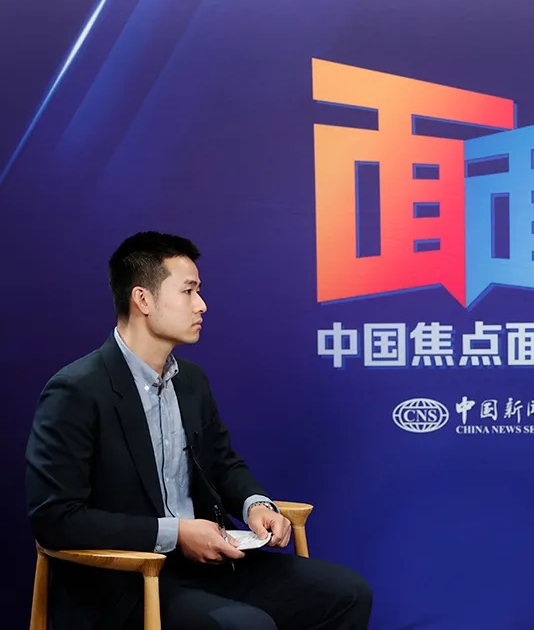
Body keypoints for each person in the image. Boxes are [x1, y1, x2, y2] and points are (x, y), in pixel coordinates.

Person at [26, 232, 373, 630]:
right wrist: (176, 534)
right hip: (126, 580)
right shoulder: (76, 390)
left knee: (347, 593)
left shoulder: (190, 381)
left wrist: (256, 505)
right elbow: (55, 518)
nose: (201, 304)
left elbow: (223, 464)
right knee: (245, 625)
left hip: (208, 564)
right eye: (188, 291)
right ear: (142, 300)